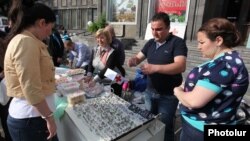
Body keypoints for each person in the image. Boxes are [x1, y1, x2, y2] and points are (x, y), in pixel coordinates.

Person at [174, 18, 249, 141]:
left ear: (218, 40)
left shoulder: (224, 65)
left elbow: (194, 101)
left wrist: (177, 91)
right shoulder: (227, 61)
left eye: (202, 42)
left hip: (201, 130)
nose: (198, 47)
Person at [127, 12, 188, 141]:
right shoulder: (150, 43)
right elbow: (138, 58)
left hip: (168, 95)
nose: (155, 33)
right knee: (149, 122)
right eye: (153, 29)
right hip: (149, 92)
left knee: (165, 127)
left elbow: (180, 66)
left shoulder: (177, 43)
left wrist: (154, 68)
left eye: (159, 29)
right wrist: (133, 60)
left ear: (168, 28)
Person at [4, 1, 58, 141]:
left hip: (33, 118)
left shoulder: (28, 40)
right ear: (42, 23)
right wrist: (49, 118)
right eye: (50, 28)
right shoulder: (25, 42)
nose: (50, 33)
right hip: (32, 121)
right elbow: (31, 88)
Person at [86, 28, 125, 96]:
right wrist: (89, 75)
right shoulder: (95, 50)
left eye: (102, 38)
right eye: (97, 38)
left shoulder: (113, 52)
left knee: (113, 99)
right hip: (103, 76)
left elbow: (108, 69)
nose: (99, 40)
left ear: (107, 38)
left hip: (115, 78)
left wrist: (94, 80)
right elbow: (90, 63)